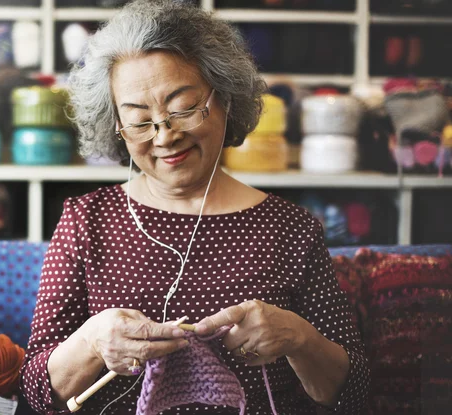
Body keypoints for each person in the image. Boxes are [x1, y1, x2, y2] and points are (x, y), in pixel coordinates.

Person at [20, 1, 369, 414]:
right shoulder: (87, 220)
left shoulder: (290, 229)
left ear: (223, 98)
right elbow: (36, 391)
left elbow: (352, 393)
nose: (164, 136)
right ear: (116, 125)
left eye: (183, 107)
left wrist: (299, 338)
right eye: (138, 118)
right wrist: (92, 341)